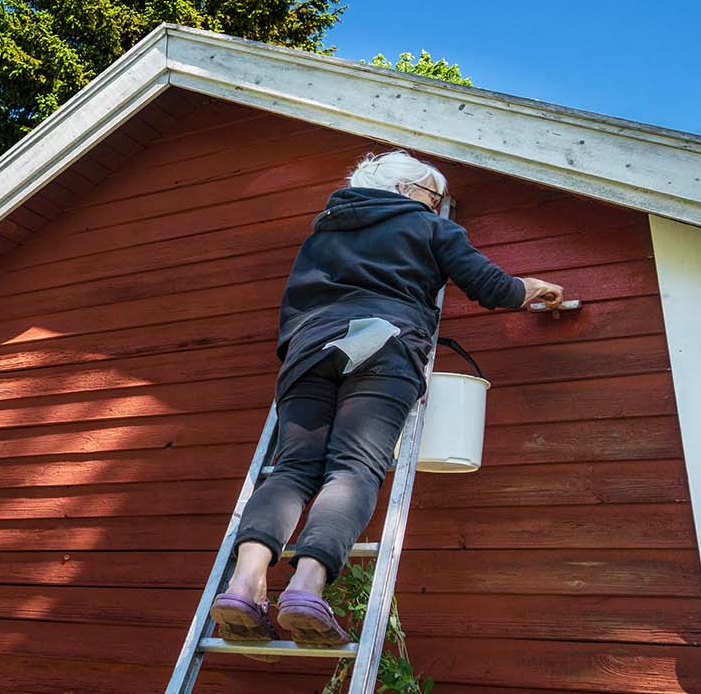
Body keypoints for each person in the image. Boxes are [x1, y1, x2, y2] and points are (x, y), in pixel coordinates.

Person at [208, 150, 564, 652]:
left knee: (290, 469)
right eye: (430, 195)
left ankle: (244, 586)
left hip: (309, 352)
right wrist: (534, 289)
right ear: (403, 190)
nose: (436, 206)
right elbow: (491, 288)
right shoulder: (428, 227)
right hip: (385, 344)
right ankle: (306, 589)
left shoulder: (324, 231)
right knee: (353, 469)